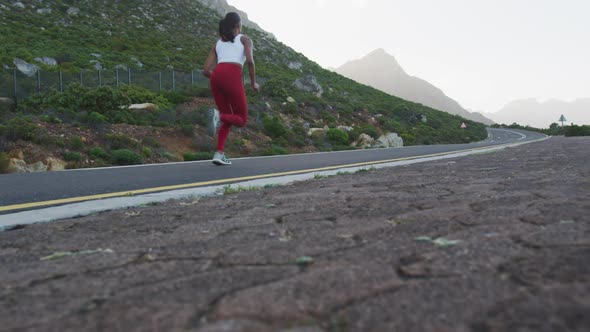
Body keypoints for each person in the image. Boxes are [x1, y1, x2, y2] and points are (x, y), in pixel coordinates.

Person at [202, 12, 259, 166]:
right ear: (237, 26)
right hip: (232, 76)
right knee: (241, 119)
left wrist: (218, 77)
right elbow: (250, 62)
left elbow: (206, 70)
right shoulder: (245, 39)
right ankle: (218, 116)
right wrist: (254, 82)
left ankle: (219, 154)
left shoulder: (218, 43)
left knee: (228, 117)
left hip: (216, 77)